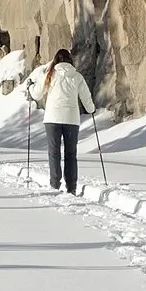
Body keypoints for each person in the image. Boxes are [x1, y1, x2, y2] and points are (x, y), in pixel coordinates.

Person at [31, 49, 95, 194]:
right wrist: (91, 109)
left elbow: (37, 93)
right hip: (72, 119)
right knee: (71, 153)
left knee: (54, 152)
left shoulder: (50, 74)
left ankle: (55, 184)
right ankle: (71, 187)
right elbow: (86, 96)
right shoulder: (77, 76)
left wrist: (30, 87)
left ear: (56, 60)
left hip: (52, 118)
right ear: (70, 60)